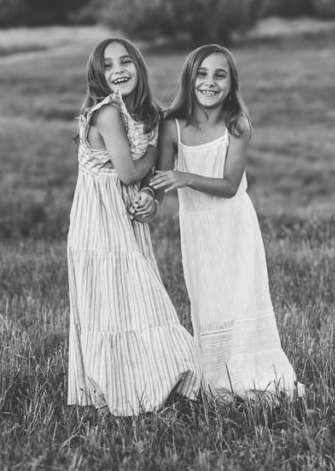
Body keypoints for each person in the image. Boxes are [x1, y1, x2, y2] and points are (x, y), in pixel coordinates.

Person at [148, 44, 302, 400]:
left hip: (235, 226)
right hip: (198, 229)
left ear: (232, 84)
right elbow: (161, 181)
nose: (209, 82)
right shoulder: (172, 126)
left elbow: (230, 186)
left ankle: (255, 375)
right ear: (189, 79)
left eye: (220, 75)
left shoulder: (237, 125)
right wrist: (148, 201)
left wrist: (185, 177)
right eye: (201, 74)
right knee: (209, 302)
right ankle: (217, 378)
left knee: (241, 299)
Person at [66, 37, 200, 416]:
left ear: (139, 68)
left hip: (124, 218)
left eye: (125, 62)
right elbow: (128, 171)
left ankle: (142, 381)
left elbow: (145, 184)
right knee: (116, 305)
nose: (118, 71)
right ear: (98, 76)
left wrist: (149, 199)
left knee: (132, 303)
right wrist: (156, 155)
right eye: (108, 66)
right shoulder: (107, 113)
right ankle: (119, 387)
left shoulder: (145, 115)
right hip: (99, 225)